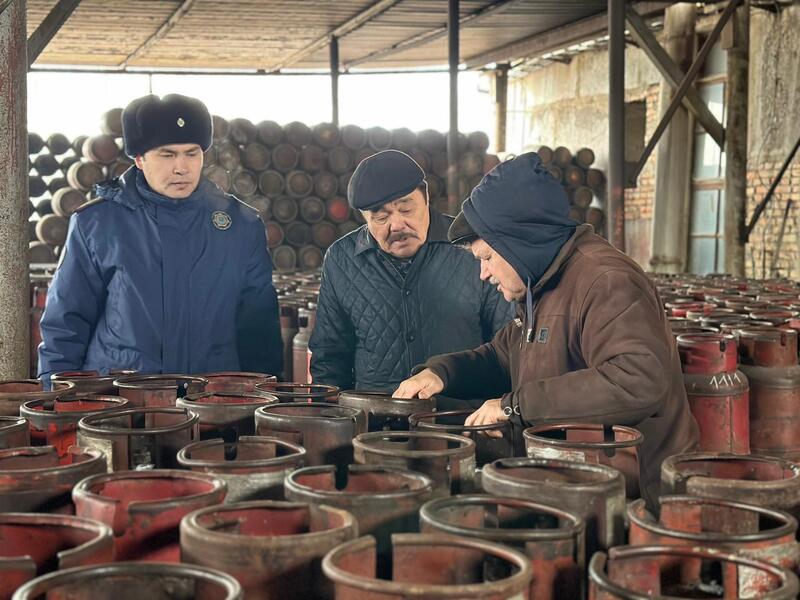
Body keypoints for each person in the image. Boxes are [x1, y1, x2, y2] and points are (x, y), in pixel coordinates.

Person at [394, 151, 698, 506]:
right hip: (576, 483)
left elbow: (637, 379)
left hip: (635, 499)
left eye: (487, 258)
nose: (484, 274)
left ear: (517, 242)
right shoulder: (541, 283)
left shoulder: (605, 281)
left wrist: (514, 406)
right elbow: (502, 357)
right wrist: (442, 373)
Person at [38, 93, 282, 380]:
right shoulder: (97, 224)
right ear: (140, 159)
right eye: (167, 155)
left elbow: (259, 331)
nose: (181, 167)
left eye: (192, 153)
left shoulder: (240, 226)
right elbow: (66, 322)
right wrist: (56, 395)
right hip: (119, 397)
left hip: (212, 397)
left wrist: (264, 394)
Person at [309, 150, 513, 393]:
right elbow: (329, 357)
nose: (397, 225)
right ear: (365, 217)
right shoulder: (342, 259)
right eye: (381, 217)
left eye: (406, 210)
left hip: (460, 410)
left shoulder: (473, 249)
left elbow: (507, 346)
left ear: (426, 197)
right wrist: (328, 411)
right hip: (374, 412)